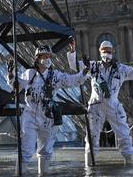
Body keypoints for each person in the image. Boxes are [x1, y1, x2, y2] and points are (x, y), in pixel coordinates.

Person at [67, 39, 133, 165]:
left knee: (124, 135)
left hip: (113, 105)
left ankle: (129, 163)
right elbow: (74, 65)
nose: (107, 53)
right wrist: (73, 50)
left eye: (109, 51)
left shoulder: (120, 69)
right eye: (105, 51)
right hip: (95, 106)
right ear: (100, 52)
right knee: (92, 137)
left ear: (113, 52)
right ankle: (89, 165)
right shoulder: (92, 66)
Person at [8, 45, 88, 175]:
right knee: (26, 151)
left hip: (48, 118)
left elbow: (73, 80)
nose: (48, 59)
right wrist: (11, 74)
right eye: (45, 56)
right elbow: (16, 85)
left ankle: (43, 174)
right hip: (30, 116)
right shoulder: (30, 74)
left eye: (49, 56)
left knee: (45, 152)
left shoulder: (55, 75)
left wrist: (84, 72)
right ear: (38, 58)